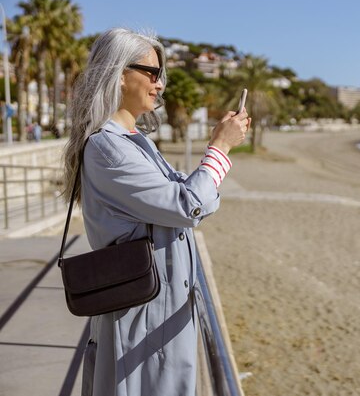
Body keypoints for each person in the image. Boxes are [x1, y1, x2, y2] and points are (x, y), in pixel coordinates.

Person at [61, 28, 250, 396]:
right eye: (151, 72)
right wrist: (221, 146)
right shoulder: (107, 148)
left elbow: (196, 198)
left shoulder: (136, 142)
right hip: (142, 320)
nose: (160, 83)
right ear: (117, 73)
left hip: (155, 313)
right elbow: (189, 204)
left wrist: (203, 181)